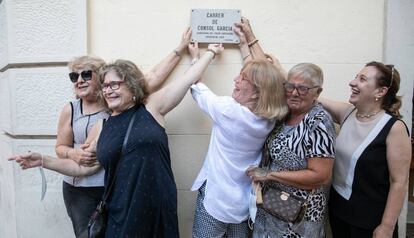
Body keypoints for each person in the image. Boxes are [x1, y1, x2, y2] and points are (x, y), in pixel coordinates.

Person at [9, 41, 225, 237]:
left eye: (115, 84)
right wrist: (44, 160)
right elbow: (84, 168)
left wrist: (210, 52)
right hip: (120, 210)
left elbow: (187, 79)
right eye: (104, 86)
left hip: (156, 206)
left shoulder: (152, 108)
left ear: (131, 86)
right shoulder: (102, 126)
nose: (108, 90)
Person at [239, 18, 336, 237]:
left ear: (317, 92)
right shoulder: (285, 113)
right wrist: (248, 40)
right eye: (290, 86)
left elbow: (321, 176)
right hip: (271, 210)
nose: (294, 93)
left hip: (300, 217)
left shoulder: (318, 122)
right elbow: (265, 76)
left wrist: (269, 175)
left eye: (302, 89)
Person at [188, 33, 288, 237]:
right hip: (242, 206)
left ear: (256, 92)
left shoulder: (229, 111)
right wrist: (245, 45)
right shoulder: (270, 118)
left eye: (242, 78)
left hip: (215, 202)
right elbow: (263, 82)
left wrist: (196, 57)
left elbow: (196, 85)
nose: (236, 79)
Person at [319, 62, 411, 238]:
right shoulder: (348, 113)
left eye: (362, 79)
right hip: (339, 212)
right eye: (356, 77)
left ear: (380, 92)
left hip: (370, 222)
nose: (352, 82)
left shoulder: (394, 128)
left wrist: (386, 227)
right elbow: (308, 91)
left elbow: (399, 182)